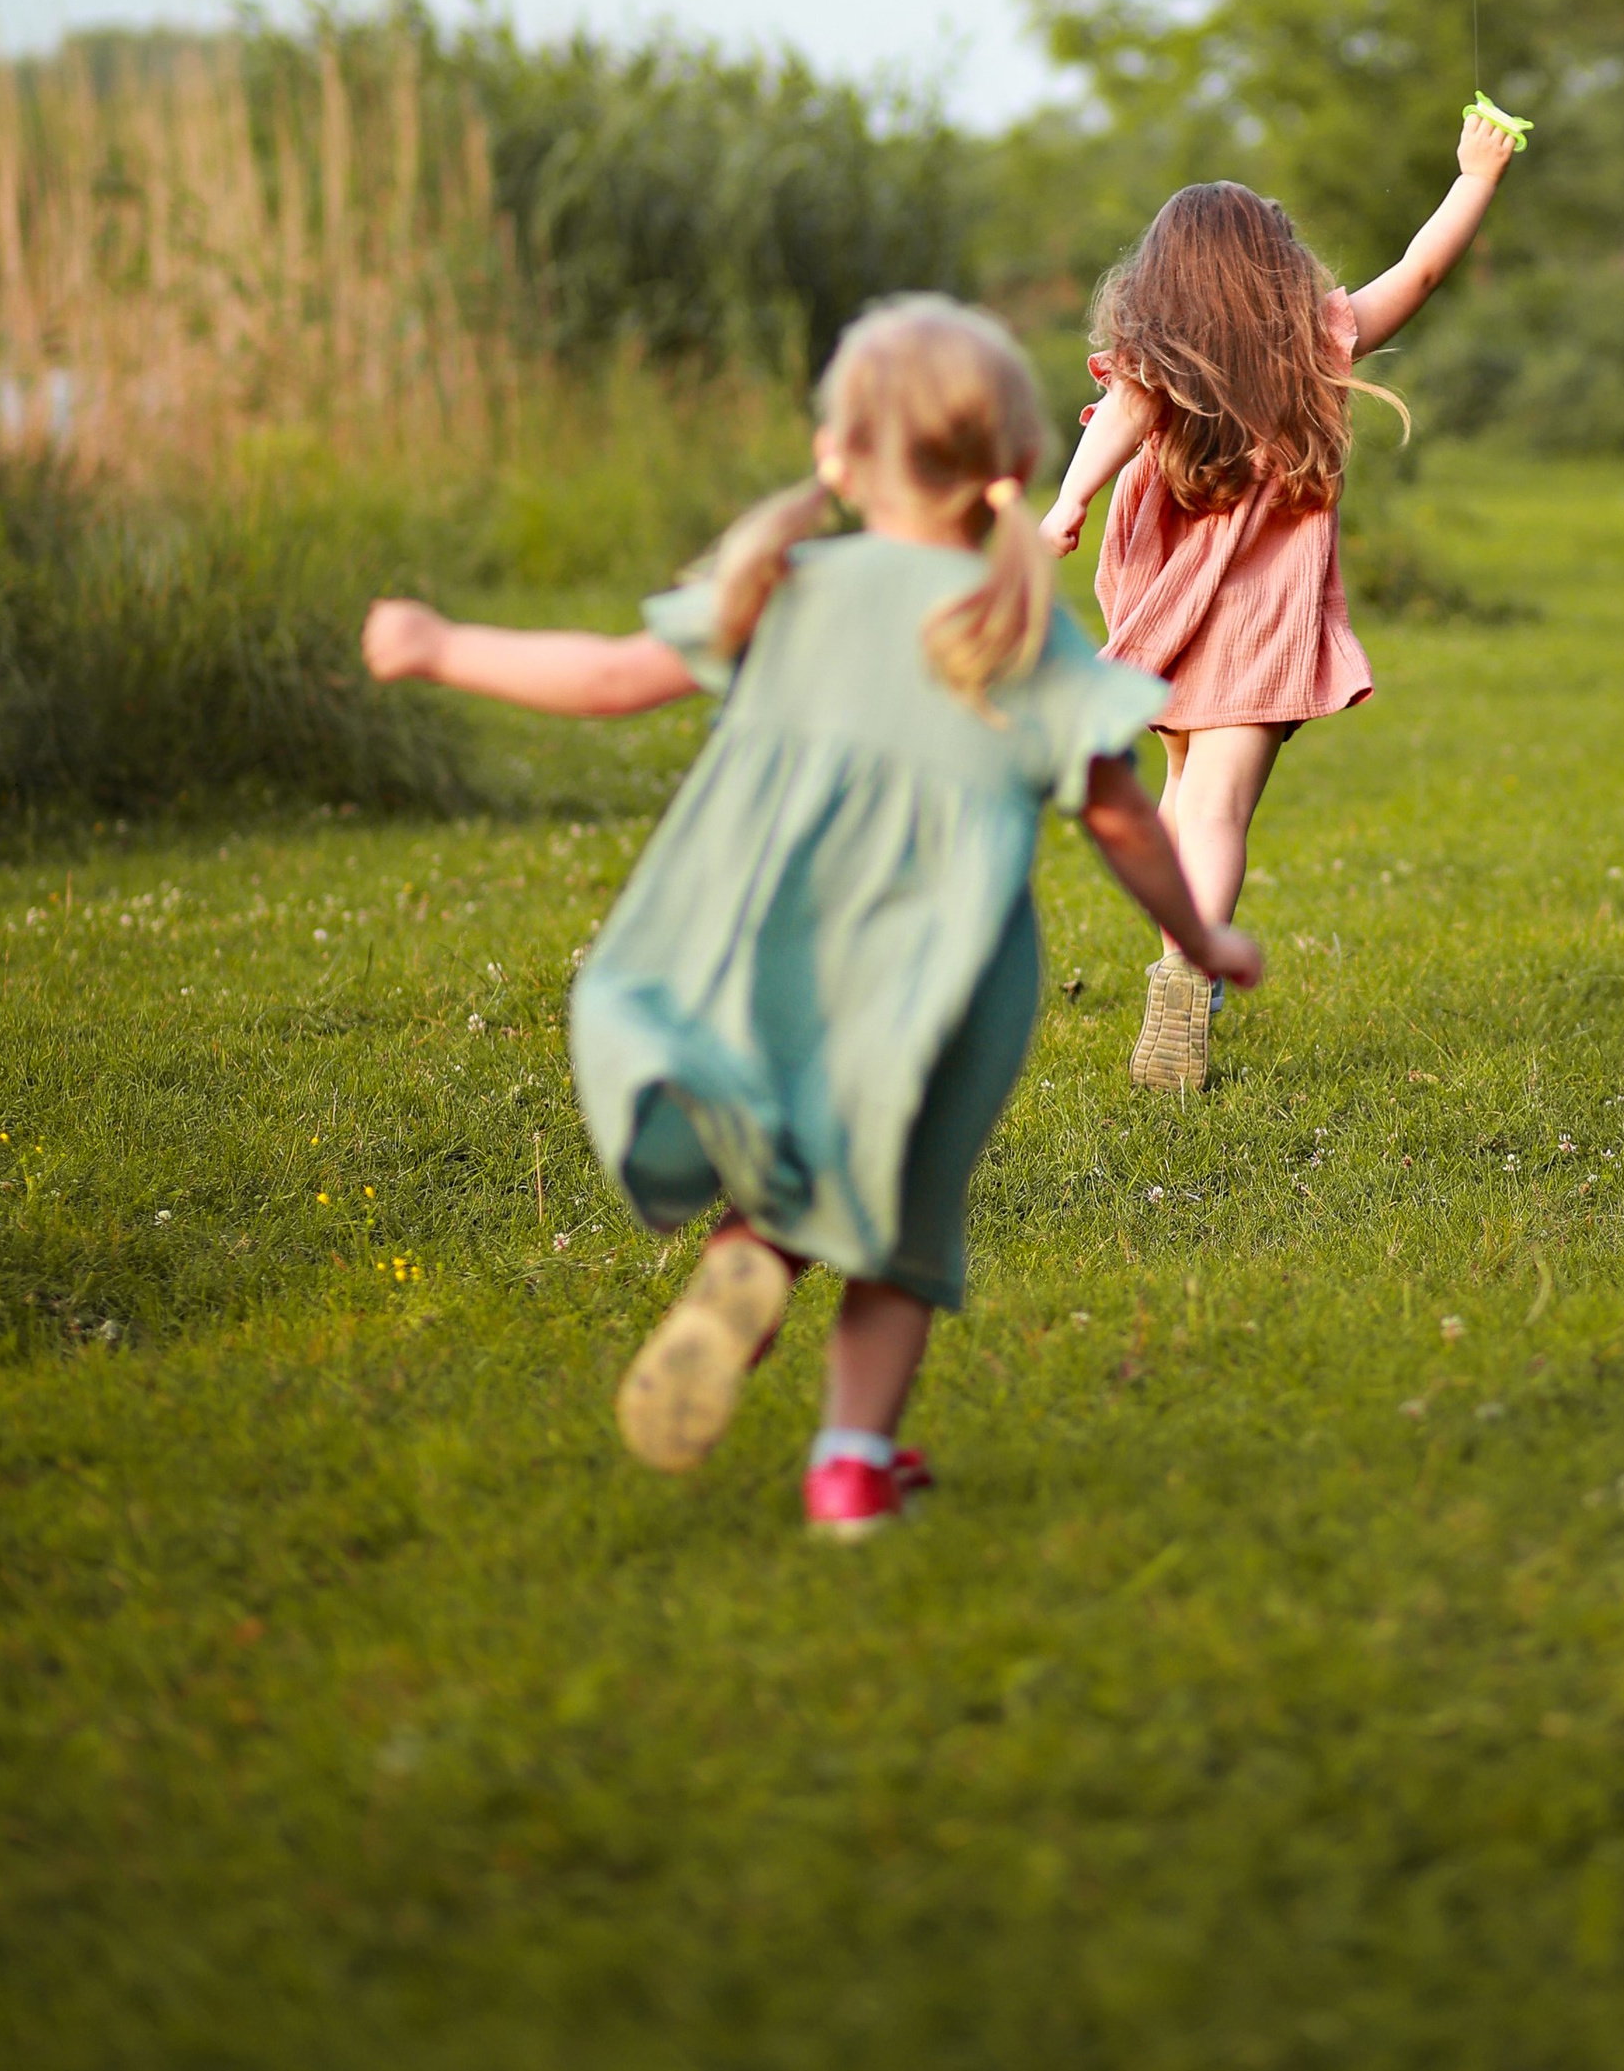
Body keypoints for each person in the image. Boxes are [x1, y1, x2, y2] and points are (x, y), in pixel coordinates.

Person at [362, 296, 1259, 1541]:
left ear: (837, 460)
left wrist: (443, 644)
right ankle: (848, 1465)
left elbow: (612, 679)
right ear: (1011, 469)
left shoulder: (789, 588)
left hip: (777, 947)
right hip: (947, 981)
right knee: (901, 1227)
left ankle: (754, 1259)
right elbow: (1120, 819)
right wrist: (1203, 942)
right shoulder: (1016, 630)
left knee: (795, 1171)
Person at [1040, 110, 1521, 1094]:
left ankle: (1182, 960)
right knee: (1213, 807)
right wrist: (1474, 177)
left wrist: (1067, 500)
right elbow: (1418, 272)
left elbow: (1116, 424)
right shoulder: (1318, 342)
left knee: (1182, 794)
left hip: (1168, 617)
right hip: (1264, 626)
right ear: (1278, 269)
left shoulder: (1160, 360)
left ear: (1160, 278)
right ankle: (1187, 966)